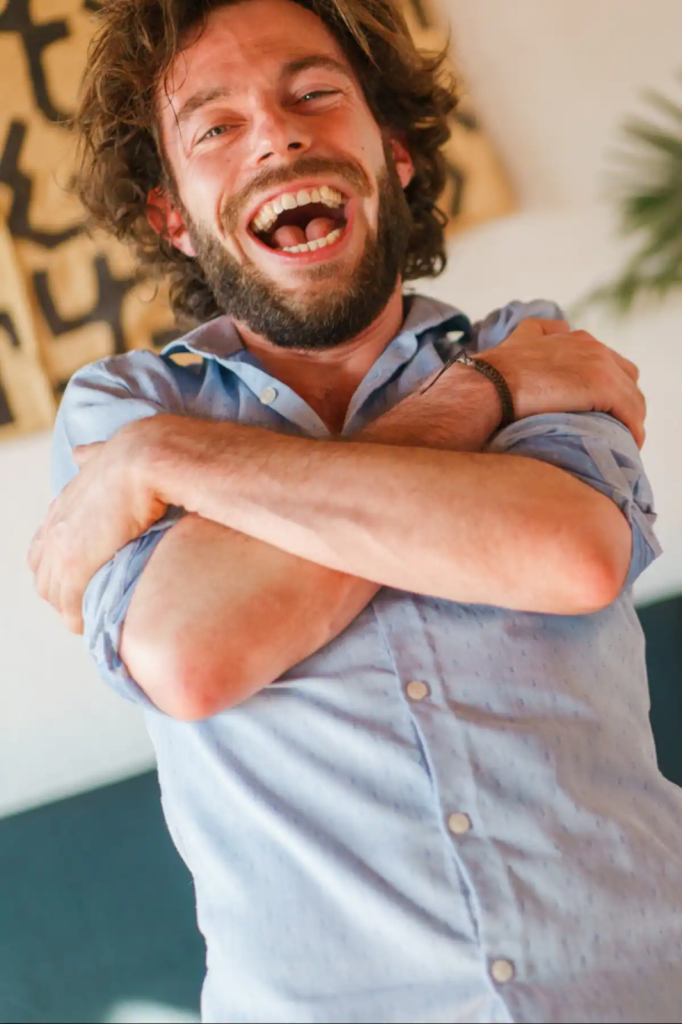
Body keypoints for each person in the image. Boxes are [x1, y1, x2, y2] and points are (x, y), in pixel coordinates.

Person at [27, 1, 682, 1021]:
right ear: (172, 216)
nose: (279, 133)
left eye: (313, 95)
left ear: (397, 151)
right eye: (216, 126)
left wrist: (168, 468)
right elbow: (193, 651)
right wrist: (483, 404)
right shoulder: (129, 411)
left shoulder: (532, 342)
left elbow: (567, 552)